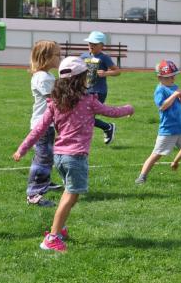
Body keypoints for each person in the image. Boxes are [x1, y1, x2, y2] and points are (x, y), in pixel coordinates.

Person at [13, 56, 134, 253]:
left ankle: (59, 229)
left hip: (59, 156)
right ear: (81, 79)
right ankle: (52, 238)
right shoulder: (88, 101)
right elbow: (111, 112)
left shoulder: (55, 103)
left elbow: (38, 129)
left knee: (71, 194)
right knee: (71, 194)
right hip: (75, 157)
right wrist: (129, 108)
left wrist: (22, 149)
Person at [135, 60, 181, 184]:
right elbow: (162, 106)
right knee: (157, 153)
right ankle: (142, 176)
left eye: (174, 76)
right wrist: (174, 95)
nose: (173, 78)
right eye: (169, 77)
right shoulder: (160, 89)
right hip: (168, 129)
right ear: (160, 77)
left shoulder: (175, 87)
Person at [25, 40, 63, 207]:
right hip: (43, 126)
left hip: (47, 125)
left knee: (46, 156)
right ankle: (34, 193)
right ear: (46, 57)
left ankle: (45, 182)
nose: (60, 58)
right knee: (43, 159)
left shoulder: (47, 76)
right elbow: (54, 100)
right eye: (57, 55)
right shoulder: (43, 77)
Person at [80, 30, 121, 145]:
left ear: (102, 45)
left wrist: (106, 73)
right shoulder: (83, 56)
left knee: (85, 117)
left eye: (94, 44)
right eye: (89, 44)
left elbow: (117, 71)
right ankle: (107, 127)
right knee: (84, 116)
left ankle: (107, 127)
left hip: (99, 91)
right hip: (85, 91)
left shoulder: (104, 58)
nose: (91, 46)